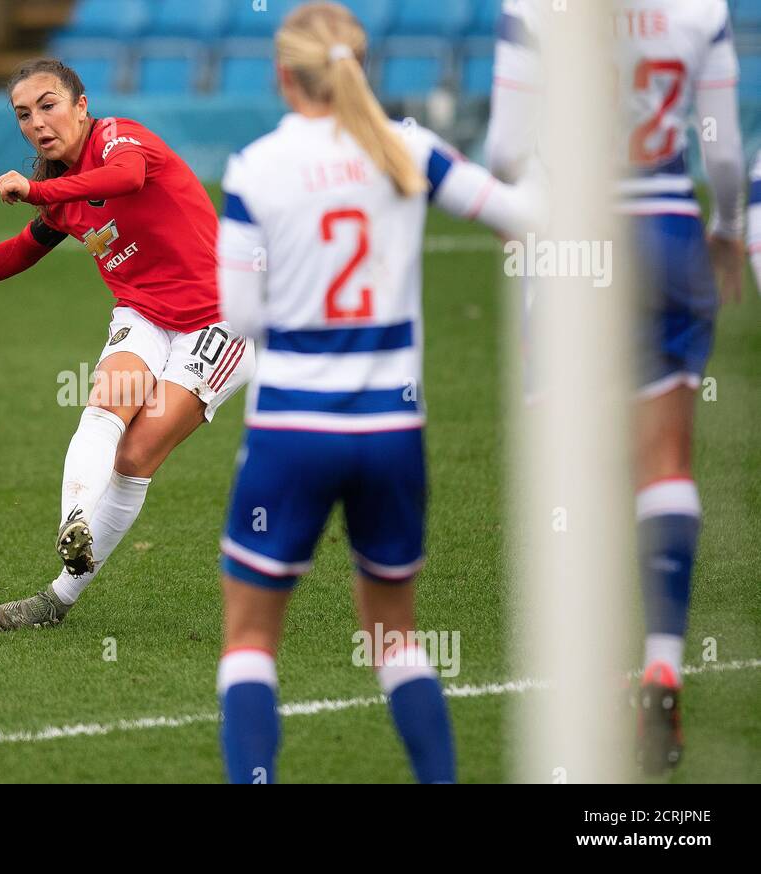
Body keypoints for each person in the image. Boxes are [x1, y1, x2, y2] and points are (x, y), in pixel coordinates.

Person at [214, 2, 538, 784]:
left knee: (250, 643)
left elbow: (240, 319)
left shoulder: (254, 168)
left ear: (284, 74)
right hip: (393, 430)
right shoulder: (409, 148)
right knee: (397, 639)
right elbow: (528, 218)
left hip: (292, 428)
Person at [0, 59, 255, 630]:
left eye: (48, 104)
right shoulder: (61, 196)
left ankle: (58, 597)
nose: (37, 121)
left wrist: (36, 187)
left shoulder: (118, 139)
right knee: (105, 405)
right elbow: (21, 250)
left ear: (81, 106)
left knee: (136, 456)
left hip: (219, 321)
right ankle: (75, 527)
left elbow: (126, 180)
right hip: (143, 314)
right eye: (23, 114)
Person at [487, 0, 745, 775]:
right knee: (666, 457)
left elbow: (502, 149)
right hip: (667, 225)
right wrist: (726, 227)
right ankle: (664, 661)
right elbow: (725, 155)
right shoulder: (703, 9)